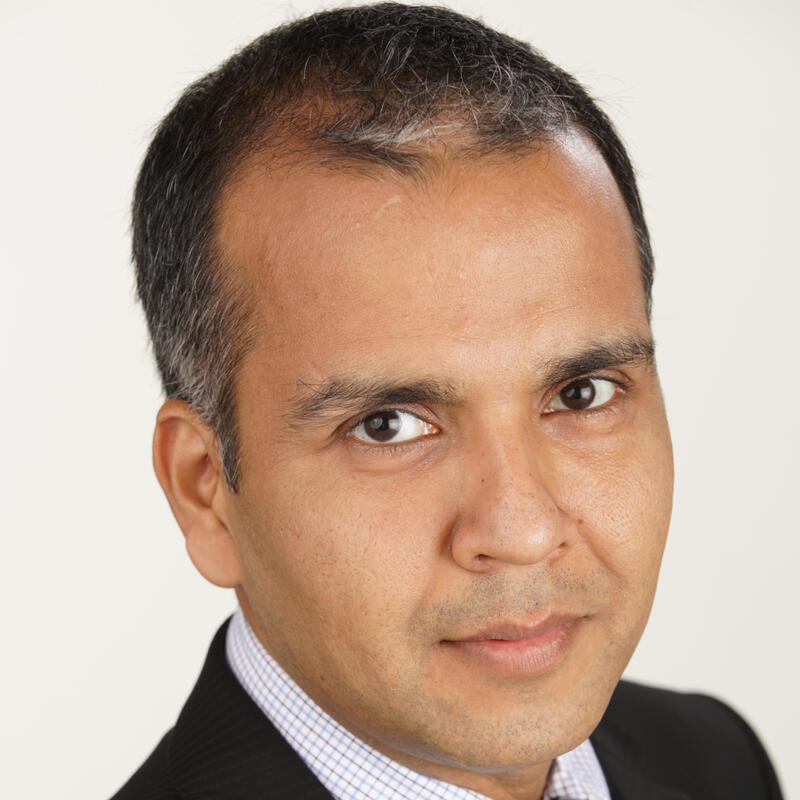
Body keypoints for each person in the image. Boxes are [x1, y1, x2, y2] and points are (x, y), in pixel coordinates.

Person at [111, 4, 783, 798]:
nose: (523, 532)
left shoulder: (714, 762)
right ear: (205, 491)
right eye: (387, 426)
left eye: (581, 394)